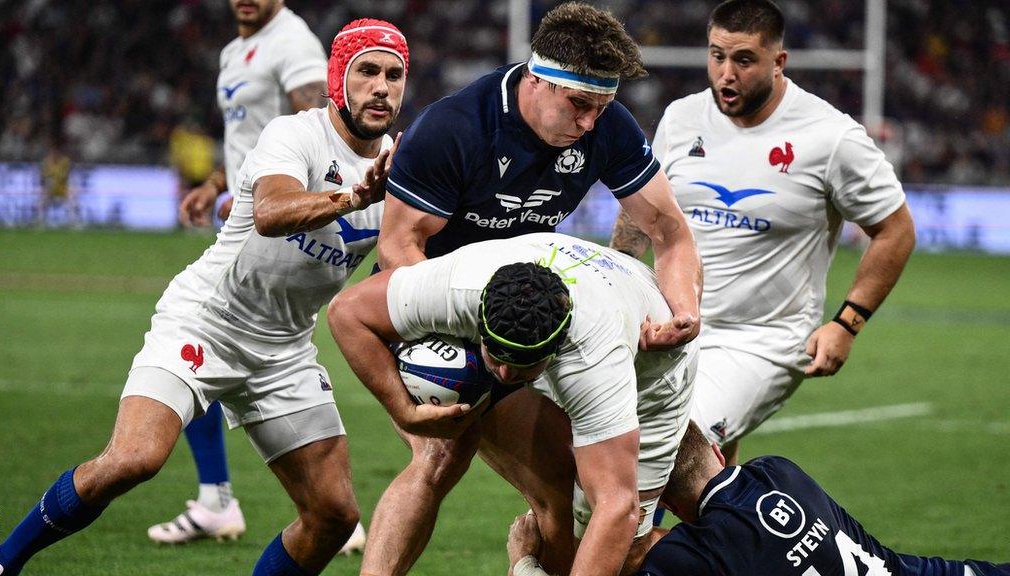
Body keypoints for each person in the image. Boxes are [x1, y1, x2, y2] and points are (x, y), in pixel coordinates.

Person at [0, 18, 407, 576]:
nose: (381, 86)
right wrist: (351, 198)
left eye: (395, 75)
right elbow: (270, 213)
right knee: (133, 461)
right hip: (206, 320)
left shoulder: (404, 169)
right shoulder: (296, 134)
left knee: (333, 515)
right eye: (368, 71)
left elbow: (396, 272)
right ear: (338, 77)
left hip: (284, 349)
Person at [364, 3, 703, 574]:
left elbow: (668, 231)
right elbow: (398, 250)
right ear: (538, 78)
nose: (591, 122)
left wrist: (683, 310)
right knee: (442, 458)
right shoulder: (455, 127)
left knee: (566, 490)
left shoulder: (606, 126)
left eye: (603, 107)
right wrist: (485, 338)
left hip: (534, 311)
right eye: (579, 105)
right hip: (444, 313)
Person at [610, 0, 916, 465]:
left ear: (779, 62)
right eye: (716, 56)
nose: (726, 73)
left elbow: (896, 229)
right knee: (687, 470)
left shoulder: (830, 137)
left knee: (660, 446)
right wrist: (620, 291)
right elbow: (640, 211)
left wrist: (847, 323)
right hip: (673, 322)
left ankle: (612, 539)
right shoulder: (682, 118)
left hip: (763, 340)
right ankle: (720, 536)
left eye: (744, 59)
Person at [328, 232, 700, 576]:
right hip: (587, 296)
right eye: (496, 354)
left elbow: (617, 506)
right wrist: (404, 411)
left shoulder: (594, 363)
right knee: (460, 462)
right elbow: (347, 312)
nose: (503, 374)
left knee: (627, 552)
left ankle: (741, 550)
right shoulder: (462, 283)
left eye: (520, 365)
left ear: (553, 352)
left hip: (654, 368)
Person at [154, 0, 337, 546]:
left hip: (275, 220)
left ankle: (317, 510)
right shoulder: (235, 50)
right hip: (244, 211)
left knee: (208, 337)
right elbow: (246, 138)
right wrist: (216, 182)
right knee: (200, 345)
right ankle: (225, 501)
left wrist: (281, 198)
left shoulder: (293, 42)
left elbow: (321, 124)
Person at [507, 422, 1010, 576]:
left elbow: (633, 548)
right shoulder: (779, 472)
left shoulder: (691, 558)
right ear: (719, 450)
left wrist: (524, 564)